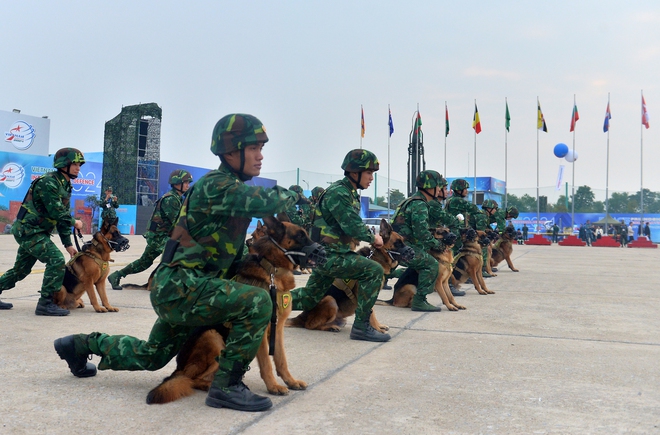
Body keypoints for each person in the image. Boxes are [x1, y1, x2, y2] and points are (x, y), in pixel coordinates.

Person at [54, 113, 309, 412]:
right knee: (257, 302)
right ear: (230, 150)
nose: (260, 156)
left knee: (152, 356)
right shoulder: (218, 186)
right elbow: (269, 201)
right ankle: (227, 385)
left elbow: (227, 253)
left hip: (182, 288)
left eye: (261, 149)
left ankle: (79, 344)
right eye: (253, 148)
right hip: (183, 287)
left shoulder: (228, 192)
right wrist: (297, 194)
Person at [290, 149, 390, 342]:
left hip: (328, 254)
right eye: (368, 173)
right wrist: (374, 238)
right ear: (355, 172)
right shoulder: (339, 193)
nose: (371, 178)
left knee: (310, 297)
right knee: (373, 271)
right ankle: (362, 327)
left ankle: (268, 301)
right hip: (331, 255)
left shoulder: (348, 192)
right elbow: (352, 225)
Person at [0, 148, 85, 314]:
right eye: (74, 164)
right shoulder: (48, 182)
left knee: (21, 270)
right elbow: (57, 212)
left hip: (37, 232)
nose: (78, 168)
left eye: (79, 164)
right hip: (28, 230)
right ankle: (46, 303)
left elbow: (62, 216)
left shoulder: (65, 184)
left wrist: (68, 244)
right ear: (63, 164)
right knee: (56, 259)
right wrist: (75, 222)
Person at [107, 169, 193, 290]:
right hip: (159, 237)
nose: (188, 185)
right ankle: (169, 285)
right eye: (186, 182)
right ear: (177, 183)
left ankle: (117, 275)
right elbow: (178, 223)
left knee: (144, 262)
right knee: (177, 254)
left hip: (161, 236)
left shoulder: (177, 198)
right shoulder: (171, 199)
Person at [391, 170, 448, 312]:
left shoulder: (413, 200)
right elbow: (421, 233)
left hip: (400, 246)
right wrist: (438, 245)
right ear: (430, 187)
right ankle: (419, 300)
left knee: (422, 261)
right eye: (439, 186)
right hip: (402, 248)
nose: (440, 190)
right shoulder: (419, 204)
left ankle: (390, 276)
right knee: (430, 264)